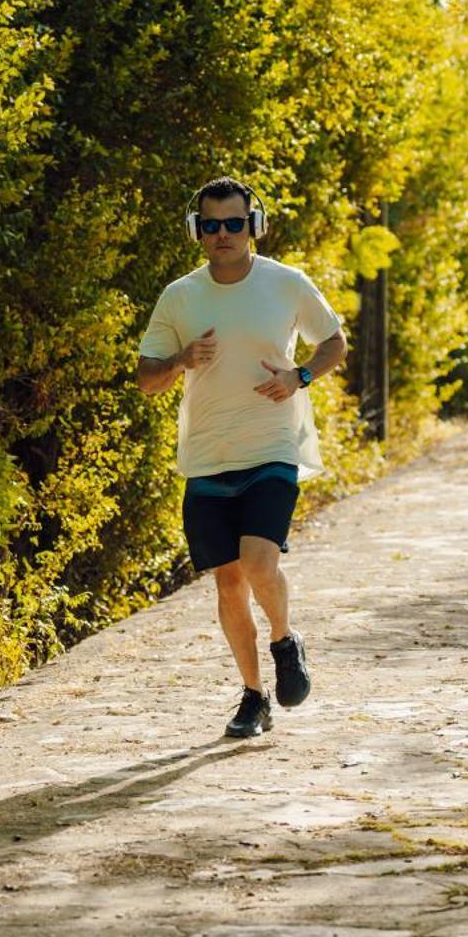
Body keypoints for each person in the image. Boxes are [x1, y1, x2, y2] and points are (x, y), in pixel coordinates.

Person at [137, 177, 348, 738]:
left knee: (259, 563)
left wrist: (299, 375)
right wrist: (182, 357)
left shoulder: (285, 283)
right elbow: (147, 379)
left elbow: (334, 341)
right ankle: (254, 697)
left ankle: (284, 637)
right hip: (207, 456)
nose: (223, 234)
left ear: (253, 226)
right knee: (228, 583)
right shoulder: (180, 296)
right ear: (196, 231)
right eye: (211, 225)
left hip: (272, 444)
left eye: (234, 223)